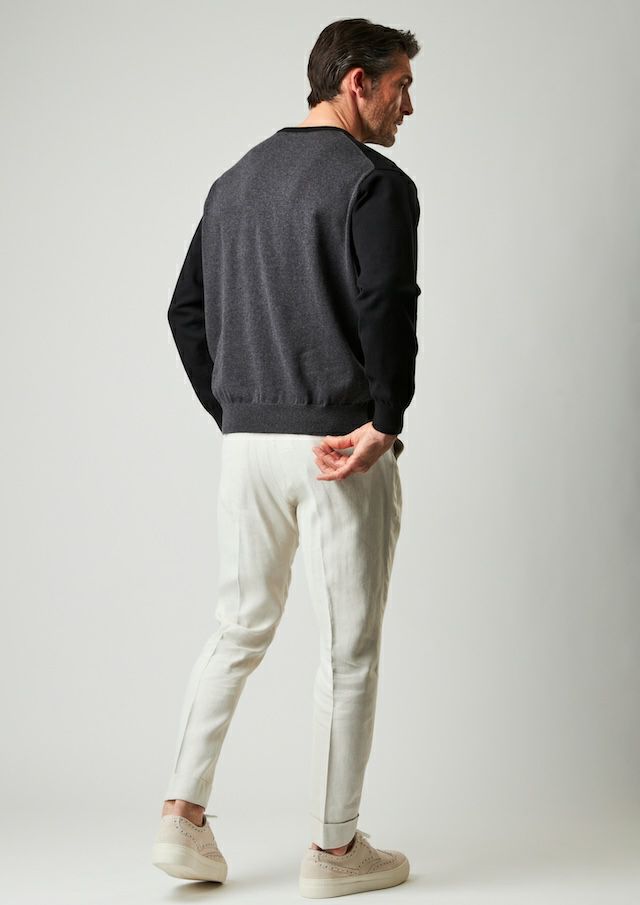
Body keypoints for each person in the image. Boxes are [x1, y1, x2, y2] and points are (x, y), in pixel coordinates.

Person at [152, 16, 421, 898]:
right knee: (348, 650)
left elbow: (184, 311)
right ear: (356, 81)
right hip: (341, 445)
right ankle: (334, 853)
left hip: (248, 448)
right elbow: (386, 302)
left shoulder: (233, 180)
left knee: (236, 628)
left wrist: (237, 412)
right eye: (400, 86)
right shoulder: (373, 183)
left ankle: (181, 819)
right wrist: (386, 418)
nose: (408, 105)